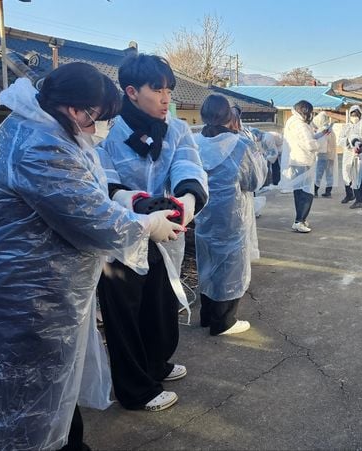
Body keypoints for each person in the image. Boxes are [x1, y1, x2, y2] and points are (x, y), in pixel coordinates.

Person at [0, 64, 183, 450]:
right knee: (29, 408)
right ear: (75, 109)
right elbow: (93, 218)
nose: (96, 129)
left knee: (47, 399)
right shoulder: (42, 146)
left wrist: (134, 213)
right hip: (23, 300)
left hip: (34, 293)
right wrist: (146, 225)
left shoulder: (40, 130)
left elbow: (87, 200)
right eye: (96, 117)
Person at [96, 54, 209, 411]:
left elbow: (187, 164)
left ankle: (155, 364)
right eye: (156, 89)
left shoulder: (175, 128)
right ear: (131, 91)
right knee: (123, 313)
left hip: (165, 231)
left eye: (169, 90)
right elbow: (104, 181)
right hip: (121, 234)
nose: (166, 98)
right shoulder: (108, 132)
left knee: (158, 306)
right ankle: (135, 389)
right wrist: (139, 205)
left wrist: (184, 205)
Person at [195, 95, 266, 336]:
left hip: (202, 213)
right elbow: (254, 180)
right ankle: (224, 322)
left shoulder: (194, 142)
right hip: (232, 214)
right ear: (230, 116)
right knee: (230, 264)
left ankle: (206, 315)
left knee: (207, 260)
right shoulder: (239, 145)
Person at [281, 100, 328, 233]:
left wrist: (320, 135)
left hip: (296, 160)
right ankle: (299, 221)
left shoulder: (293, 121)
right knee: (307, 192)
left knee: (299, 190)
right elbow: (310, 144)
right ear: (305, 111)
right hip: (303, 161)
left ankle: (300, 218)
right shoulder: (300, 125)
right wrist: (321, 141)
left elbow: (308, 138)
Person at [339, 105, 362, 205]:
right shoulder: (346, 127)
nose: (354, 117)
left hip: (358, 154)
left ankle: (359, 198)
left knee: (357, 175)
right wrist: (348, 142)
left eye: (356, 115)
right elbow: (340, 139)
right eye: (352, 115)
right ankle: (349, 194)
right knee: (346, 173)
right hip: (348, 153)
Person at [313, 112, 337, 198]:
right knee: (329, 173)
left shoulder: (322, 130)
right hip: (331, 154)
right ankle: (328, 191)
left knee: (319, 173)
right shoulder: (331, 130)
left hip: (323, 154)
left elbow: (321, 143)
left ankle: (315, 191)